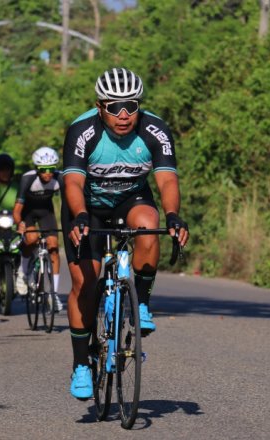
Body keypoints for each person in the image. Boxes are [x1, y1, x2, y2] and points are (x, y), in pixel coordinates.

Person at [61, 67, 190, 399]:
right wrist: (79, 217)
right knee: (84, 284)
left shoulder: (154, 130)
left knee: (150, 222)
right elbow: (73, 182)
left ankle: (141, 304)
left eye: (130, 106)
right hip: (85, 207)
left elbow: (167, 179)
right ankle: (81, 365)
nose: (122, 115)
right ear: (99, 106)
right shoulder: (81, 130)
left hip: (130, 200)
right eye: (114, 106)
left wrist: (174, 216)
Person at [14, 146, 63, 311]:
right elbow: (17, 210)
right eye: (43, 169)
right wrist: (19, 223)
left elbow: (68, 204)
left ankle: (53, 293)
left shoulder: (59, 178)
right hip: (28, 212)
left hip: (46, 213)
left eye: (51, 169)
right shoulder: (27, 179)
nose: (48, 173)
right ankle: (22, 272)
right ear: (37, 169)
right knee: (32, 239)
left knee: (54, 248)